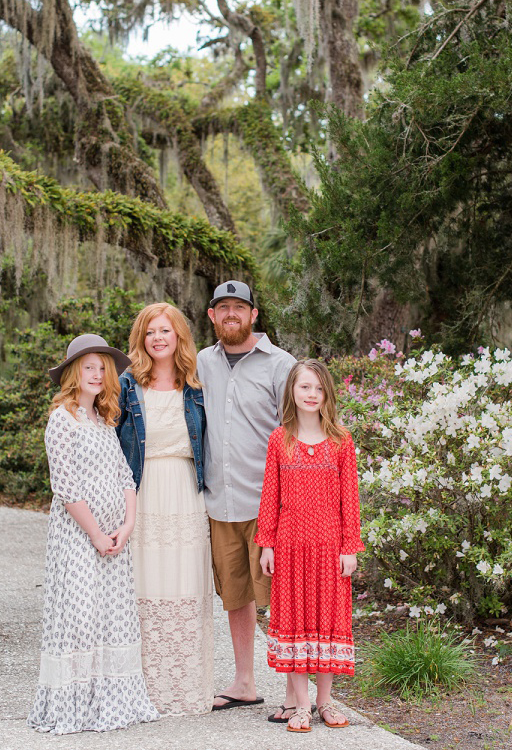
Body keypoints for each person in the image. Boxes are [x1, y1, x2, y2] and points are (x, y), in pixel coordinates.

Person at [27, 334, 160, 734]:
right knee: (81, 618)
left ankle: (109, 701)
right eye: (89, 367)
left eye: (102, 368)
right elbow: (66, 488)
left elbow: (124, 475)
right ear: (72, 372)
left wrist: (126, 525)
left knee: (110, 618)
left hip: (115, 542)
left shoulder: (104, 421)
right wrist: (97, 535)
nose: (97, 374)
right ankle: (74, 707)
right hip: (78, 540)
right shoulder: (61, 420)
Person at [196, 280, 297, 718]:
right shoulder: (201, 361)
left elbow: (295, 434)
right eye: (224, 308)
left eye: (240, 307)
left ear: (254, 314)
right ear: (211, 315)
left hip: (268, 503)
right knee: (236, 595)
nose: (231, 314)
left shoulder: (281, 365)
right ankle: (244, 682)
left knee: (284, 596)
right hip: (220, 503)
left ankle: (297, 690)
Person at [256, 358, 365, 733]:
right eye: (305, 387)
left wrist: (349, 546)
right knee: (295, 620)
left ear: (327, 394)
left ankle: (325, 701)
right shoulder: (279, 440)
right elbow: (270, 496)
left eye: (318, 388)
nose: (312, 394)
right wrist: (266, 543)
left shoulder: (340, 441)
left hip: (329, 546)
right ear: (292, 391)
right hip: (290, 546)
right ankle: (301, 705)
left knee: (327, 620)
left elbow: (349, 497)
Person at [116, 303, 214, 716]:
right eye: (150, 331)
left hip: (187, 495)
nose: (158, 338)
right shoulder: (126, 385)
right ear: (141, 339)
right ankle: (141, 690)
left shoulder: (197, 384)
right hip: (143, 493)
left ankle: (186, 689)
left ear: (179, 337)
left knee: (186, 587)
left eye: (166, 331)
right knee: (143, 587)